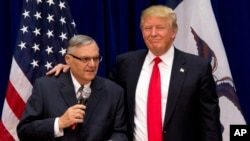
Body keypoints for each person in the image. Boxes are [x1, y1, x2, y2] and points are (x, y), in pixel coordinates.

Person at [46, 5, 222, 141]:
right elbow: (102, 93)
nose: (153, 34)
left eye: (160, 28)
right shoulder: (126, 63)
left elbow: (210, 123)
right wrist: (74, 69)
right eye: (147, 28)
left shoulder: (197, 67)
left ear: (173, 32)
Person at [17, 35, 128, 141]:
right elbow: (24, 130)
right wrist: (59, 123)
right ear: (68, 59)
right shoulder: (45, 87)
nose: (93, 64)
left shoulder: (114, 92)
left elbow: (121, 132)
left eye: (96, 58)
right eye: (85, 59)